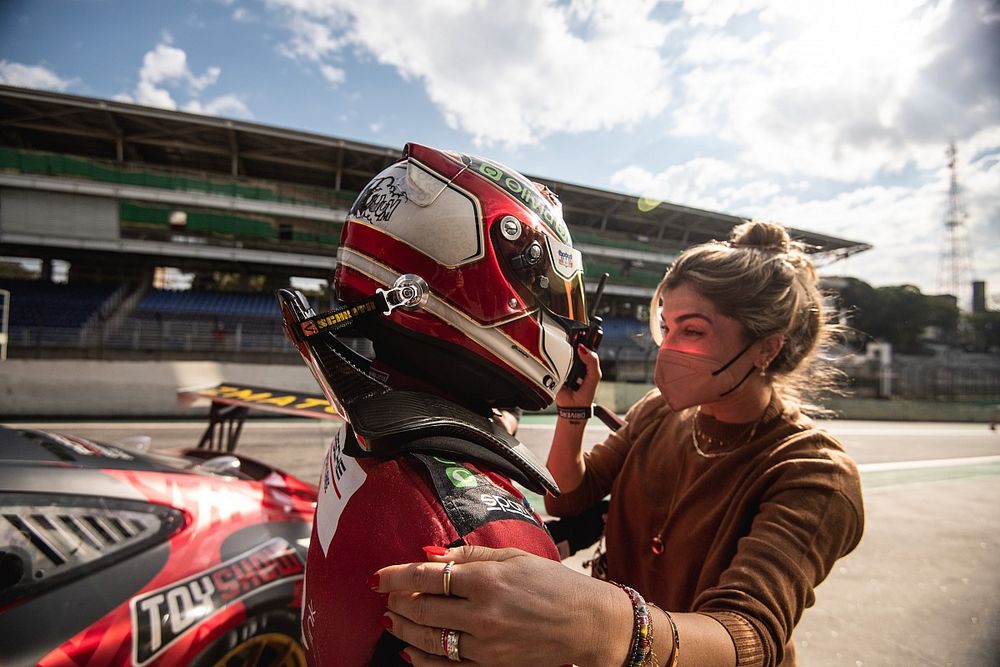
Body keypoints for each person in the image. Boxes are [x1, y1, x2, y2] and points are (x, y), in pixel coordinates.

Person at [374, 220, 865, 667]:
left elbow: (749, 637)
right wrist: (574, 411)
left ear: (765, 347)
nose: (668, 347)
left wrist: (602, 625)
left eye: (693, 330)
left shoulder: (813, 471)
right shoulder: (658, 411)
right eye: (667, 327)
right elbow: (566, 495)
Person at [277, 142, 596, 666]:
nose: (567, 320)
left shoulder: (372, 424)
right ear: (492, 282)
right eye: (550, 289)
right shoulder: (486, 532)